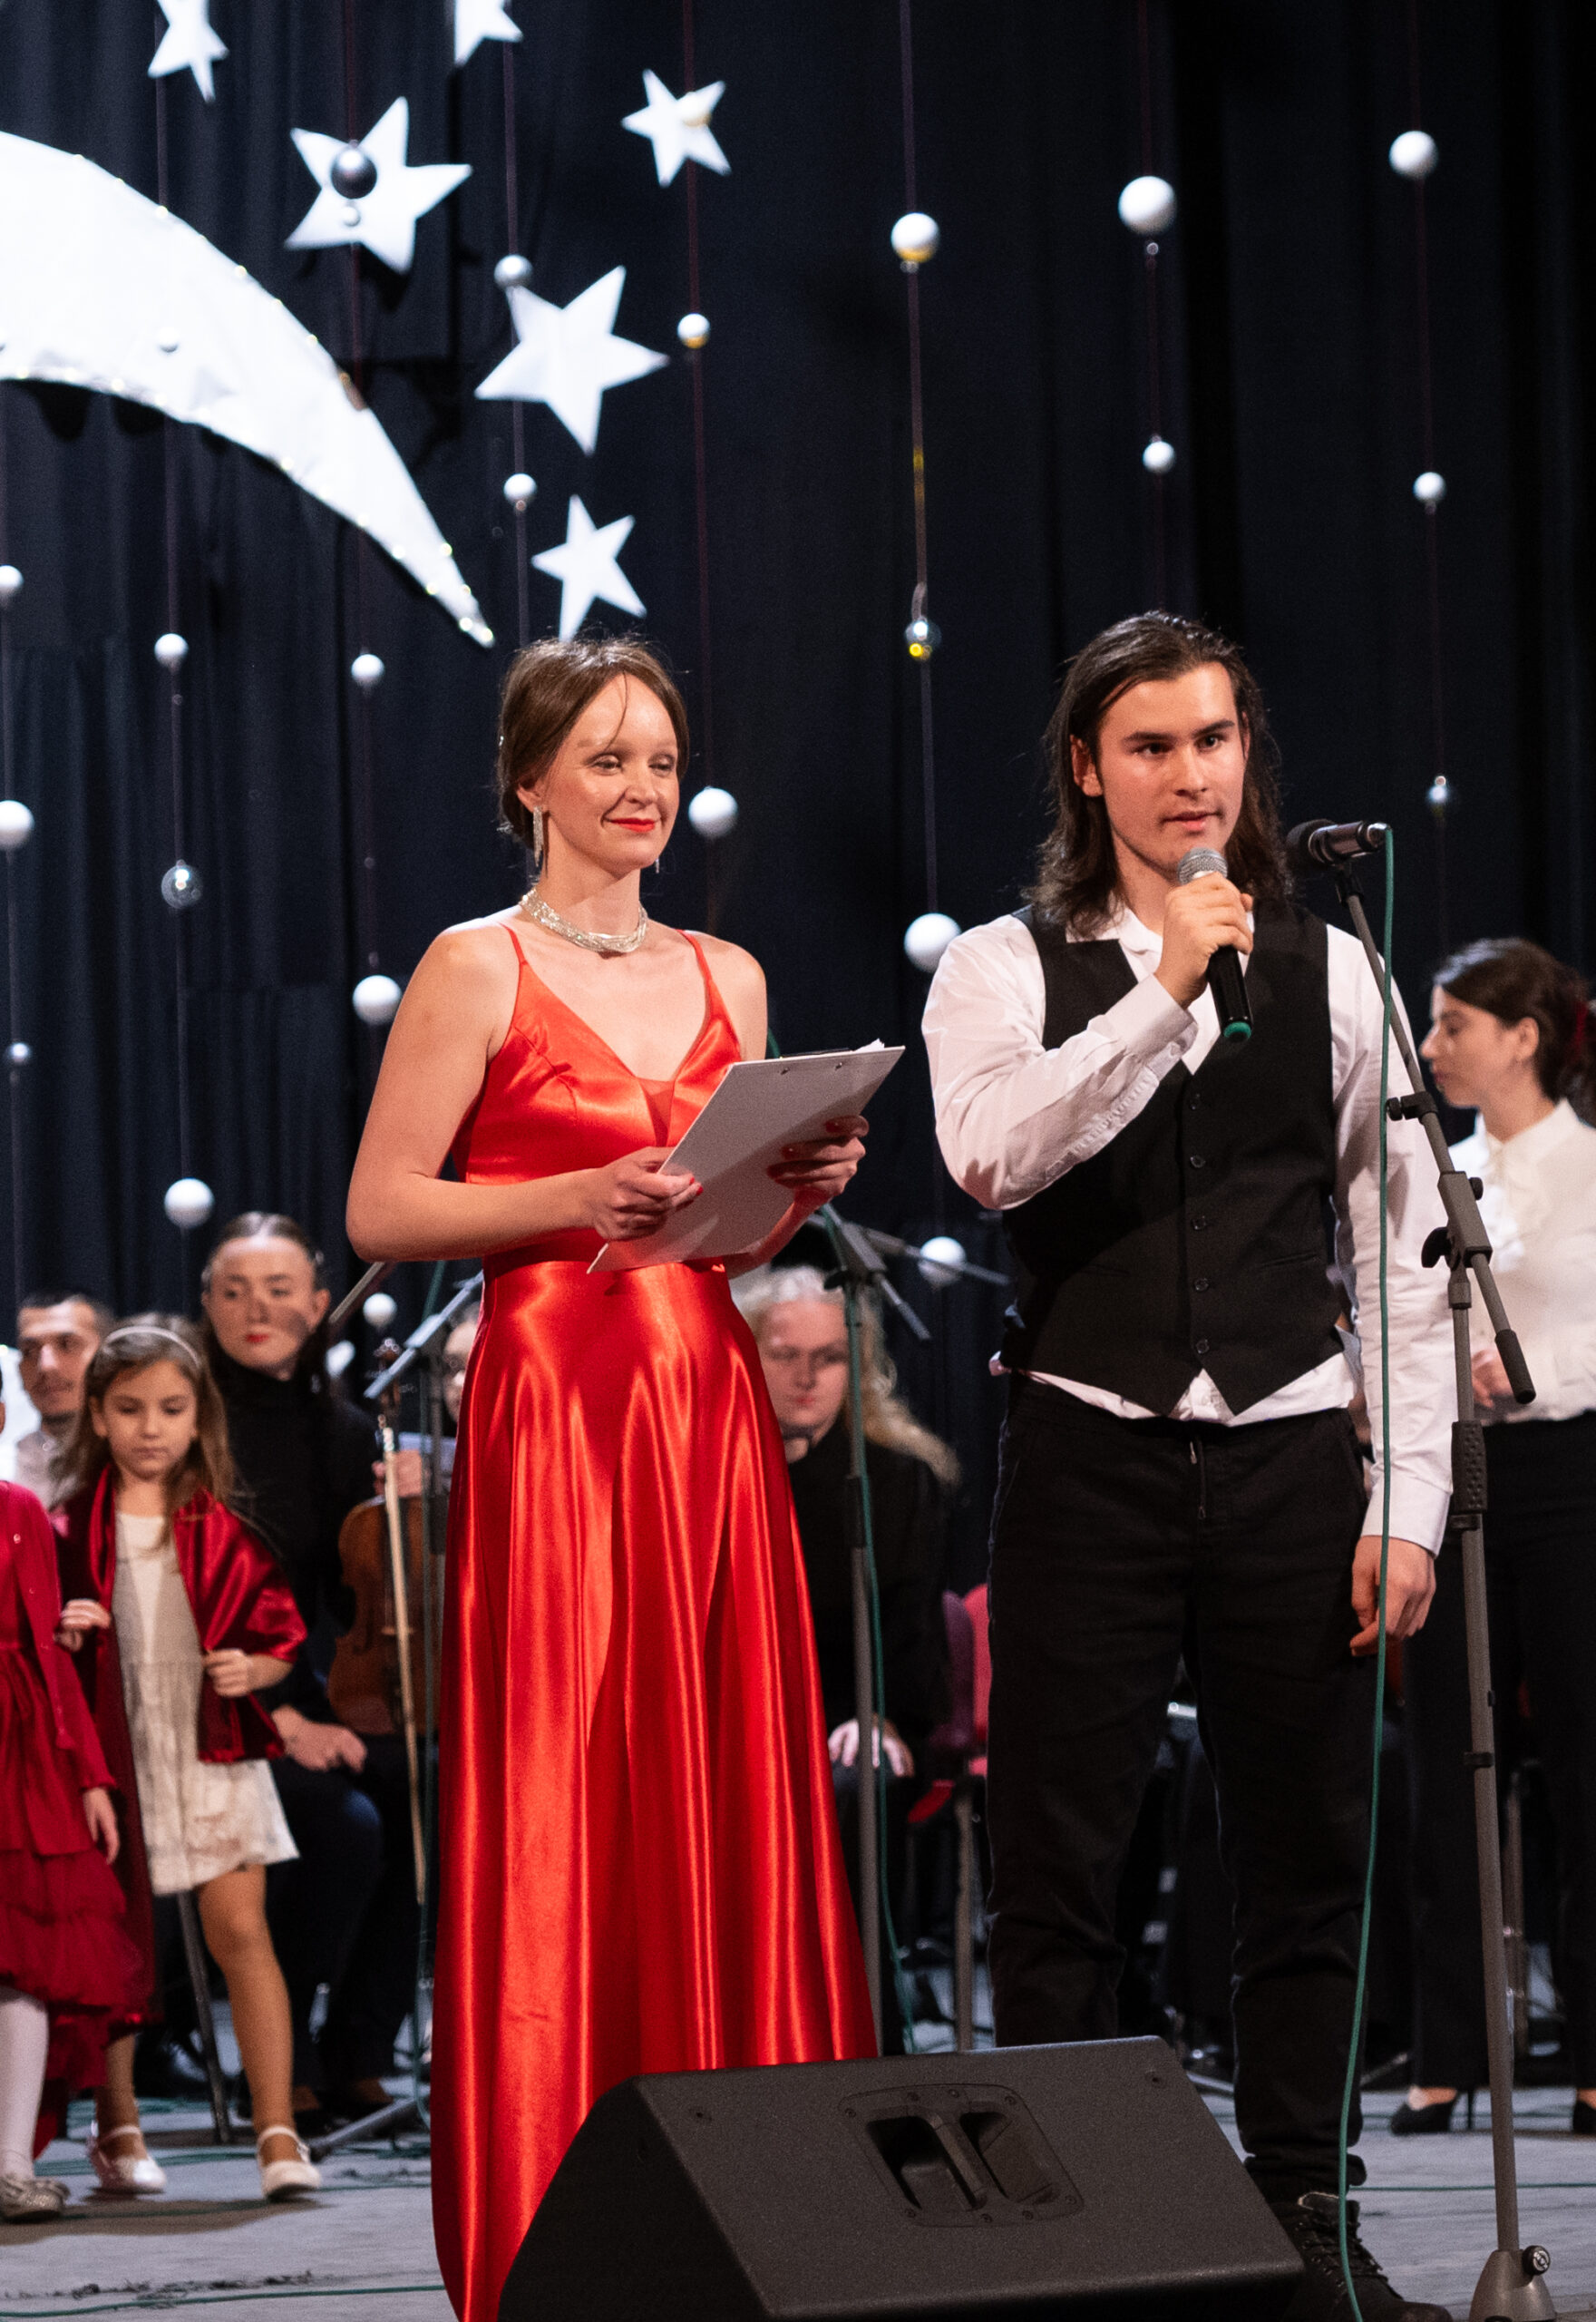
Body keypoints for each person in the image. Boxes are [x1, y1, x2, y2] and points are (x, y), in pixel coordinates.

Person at [923, 611, 1455, 2322]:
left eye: (1212, 740)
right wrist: (1159, 994)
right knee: (1060, 1866)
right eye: (1150, 746)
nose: (1189, 776)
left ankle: (1307, 2208)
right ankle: (1075, 2240)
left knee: (1306, 1856)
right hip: (1090, 1445)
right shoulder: (1002, 966)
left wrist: (1410, 1502)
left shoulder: (1337, 965)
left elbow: (1400, 1253)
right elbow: (992, 1156)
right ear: (1089, 767)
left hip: (1294, 1450)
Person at [345, 634, 873, 2322]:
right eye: (606, 759)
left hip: (704, 1398)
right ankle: (552, 2220)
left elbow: (722, 1230)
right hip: (561, 1402)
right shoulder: (474, 964)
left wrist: (797, 1185)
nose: (642, 788)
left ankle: (763, 2213)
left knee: (718, 1771)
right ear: (530, 782)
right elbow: (382, 1209)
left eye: (659, 759)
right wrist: (575, 1198)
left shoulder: (732, 971)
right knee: (569, 1779)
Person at [1398, 939, 1596, 2136]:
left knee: (1594, 1770)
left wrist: (1538, 1372)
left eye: (1452, 1024)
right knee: (1445, 1770)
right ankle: (1444, 2053)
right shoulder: (1433, 1169)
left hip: (1588, 1480)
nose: (1432, 1047)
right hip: (1460, 1479)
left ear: (1523, 1036)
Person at [51, 1316, 320, 2199]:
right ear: (99, 1416)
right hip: (115, 1757)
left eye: (171, 1409)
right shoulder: (69, 1531)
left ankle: (277, 2132)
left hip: (209, 1749)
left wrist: (255, 1670)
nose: (151, 1428)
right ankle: (117, 2123)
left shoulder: (218, 1527)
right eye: (130, 1409)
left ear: (198, 1416)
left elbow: (279, 1638)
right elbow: (34, 1652)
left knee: (242, 1931)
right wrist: (66, 1632)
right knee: (122, 1947)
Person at [200, 1213, 420, 2132]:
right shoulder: (188, 1424)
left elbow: (350, 1595)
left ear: (321, 1303)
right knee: (344, 1823)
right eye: (234, 1291)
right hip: (211, 1702)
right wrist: (282, 1720)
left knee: (429, 1789)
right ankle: (280, 2051)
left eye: (279, 1290)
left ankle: (361, 2051)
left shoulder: (340, 1429)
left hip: (301, 1691)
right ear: (207, 1305)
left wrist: (403, 1514)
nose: (257, 1310)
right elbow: (179, 1600)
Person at [733, 1264, 955, 2050]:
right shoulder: (713, 1473)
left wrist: (879, 1715)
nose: (807, 1377)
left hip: (859, 1715)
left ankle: (861, 2034)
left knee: (855, 1786)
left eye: (828, 1358)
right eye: (786, 1354)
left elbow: (913, 1633)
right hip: (736, 1724)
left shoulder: (898, 1480)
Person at [0, 1449, 139, 2221]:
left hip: (17, 1751)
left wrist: (89, 1774)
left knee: (25, 1955)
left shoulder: (18, 1510)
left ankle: (10, 2163)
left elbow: (49, 1653)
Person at [13, 1294, 112, 1507]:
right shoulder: (5, 1466)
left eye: (67, 1345)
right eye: (29, 1351)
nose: (46, 1366)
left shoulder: (143, 1459)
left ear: (107, 1357)